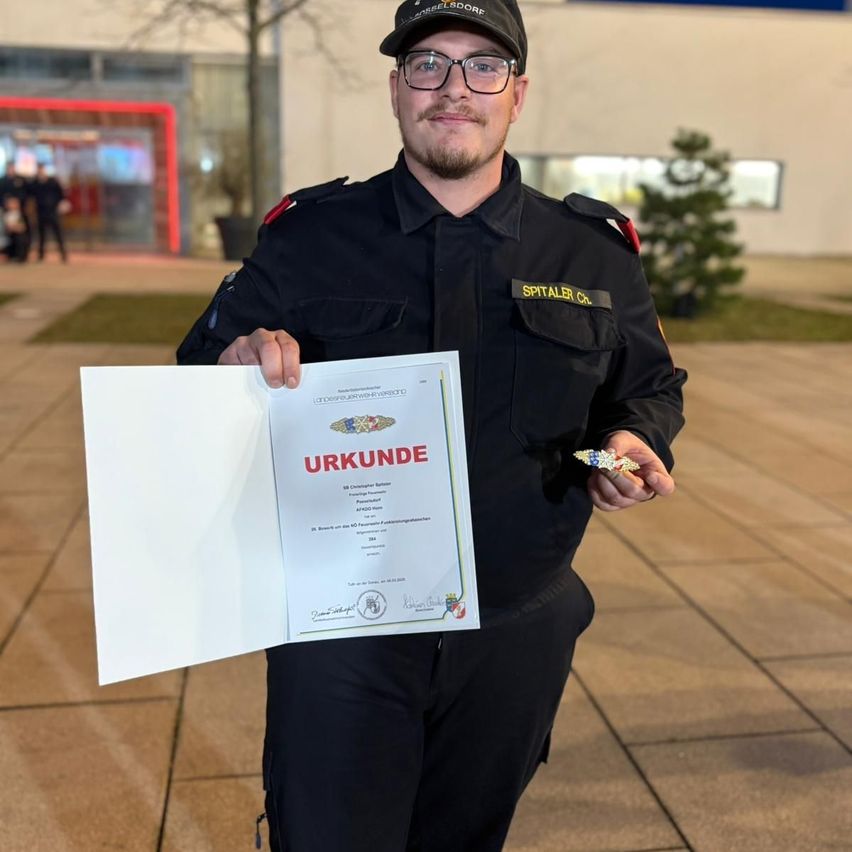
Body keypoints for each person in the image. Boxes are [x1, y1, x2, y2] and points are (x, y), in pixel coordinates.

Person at [177, 1, 686, 849]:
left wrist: (635, 440)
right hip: (344, 633)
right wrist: (234, 364)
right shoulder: (309, 237)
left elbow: (649, 386)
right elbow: (195, 369)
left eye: (483, 66)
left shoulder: (593, 253)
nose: (454, 89)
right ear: (395, 90)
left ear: (517, 94)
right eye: (428, 65)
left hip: (515, 628)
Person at [30, 164, 68, 262]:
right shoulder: (35, 183)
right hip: (41, 211)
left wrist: (61, 203)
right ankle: (41, 255)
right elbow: (30, 193)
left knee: (58, 234)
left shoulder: (52, 181)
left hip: (52, 211)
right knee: (42, 235)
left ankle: (63, 254)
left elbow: (61, 193)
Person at [0, 162, 31, 261]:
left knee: (22, 234)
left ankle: (22, 255)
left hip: (20, 211)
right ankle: (10, 254)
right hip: (6, 212)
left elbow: (26, 193)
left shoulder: (20, 180)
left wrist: (18, 204)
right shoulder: (3, 181)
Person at [1, 196, 29, 263]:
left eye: (14, 203)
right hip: (7, 235)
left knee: (20, 239)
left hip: (18, 235)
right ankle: (11, 256)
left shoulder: (21, 214)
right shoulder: (5, 214)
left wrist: (14, 227)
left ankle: (20, 257)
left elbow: (23, 227)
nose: (12, 206)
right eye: (10, 204)